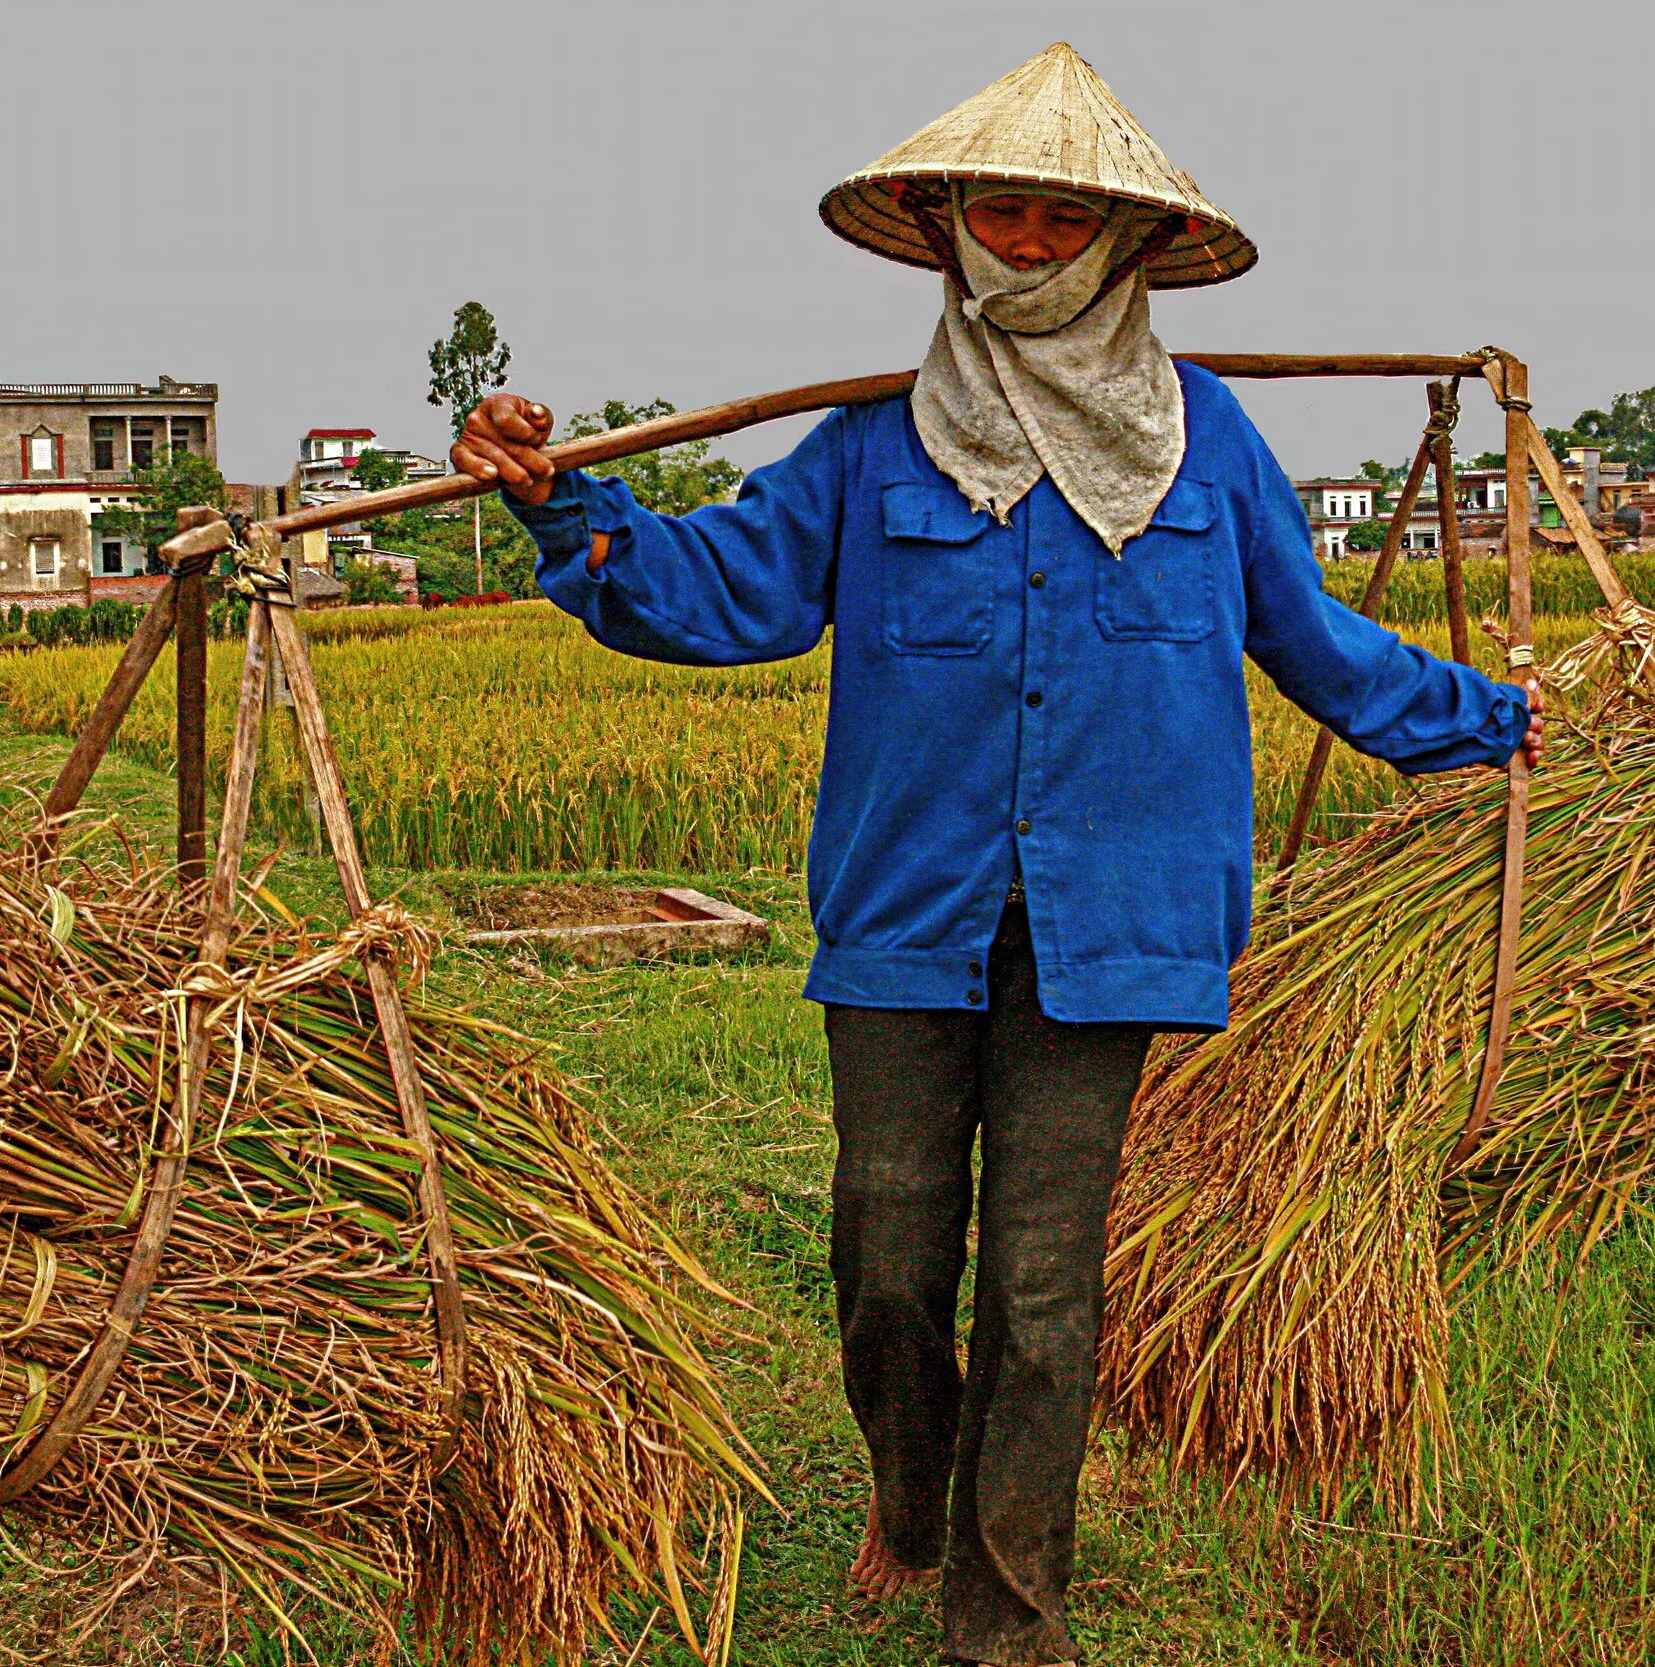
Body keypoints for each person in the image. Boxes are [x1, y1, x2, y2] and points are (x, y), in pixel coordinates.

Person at [457, 43, 1542, 1667]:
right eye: (1000, 214)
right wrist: (566, 508)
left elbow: (1314, 646)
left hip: (1113, 925)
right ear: (950, 227)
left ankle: (1006, 1609)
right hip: (912, 914)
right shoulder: (873, 446)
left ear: (1121, 247)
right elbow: (712, 590)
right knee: (891, 1257)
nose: (1026, 245)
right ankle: (911, 1501)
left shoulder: (1207, 449)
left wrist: (1496, 718)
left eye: (1058, 219)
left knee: (1044, 1288)